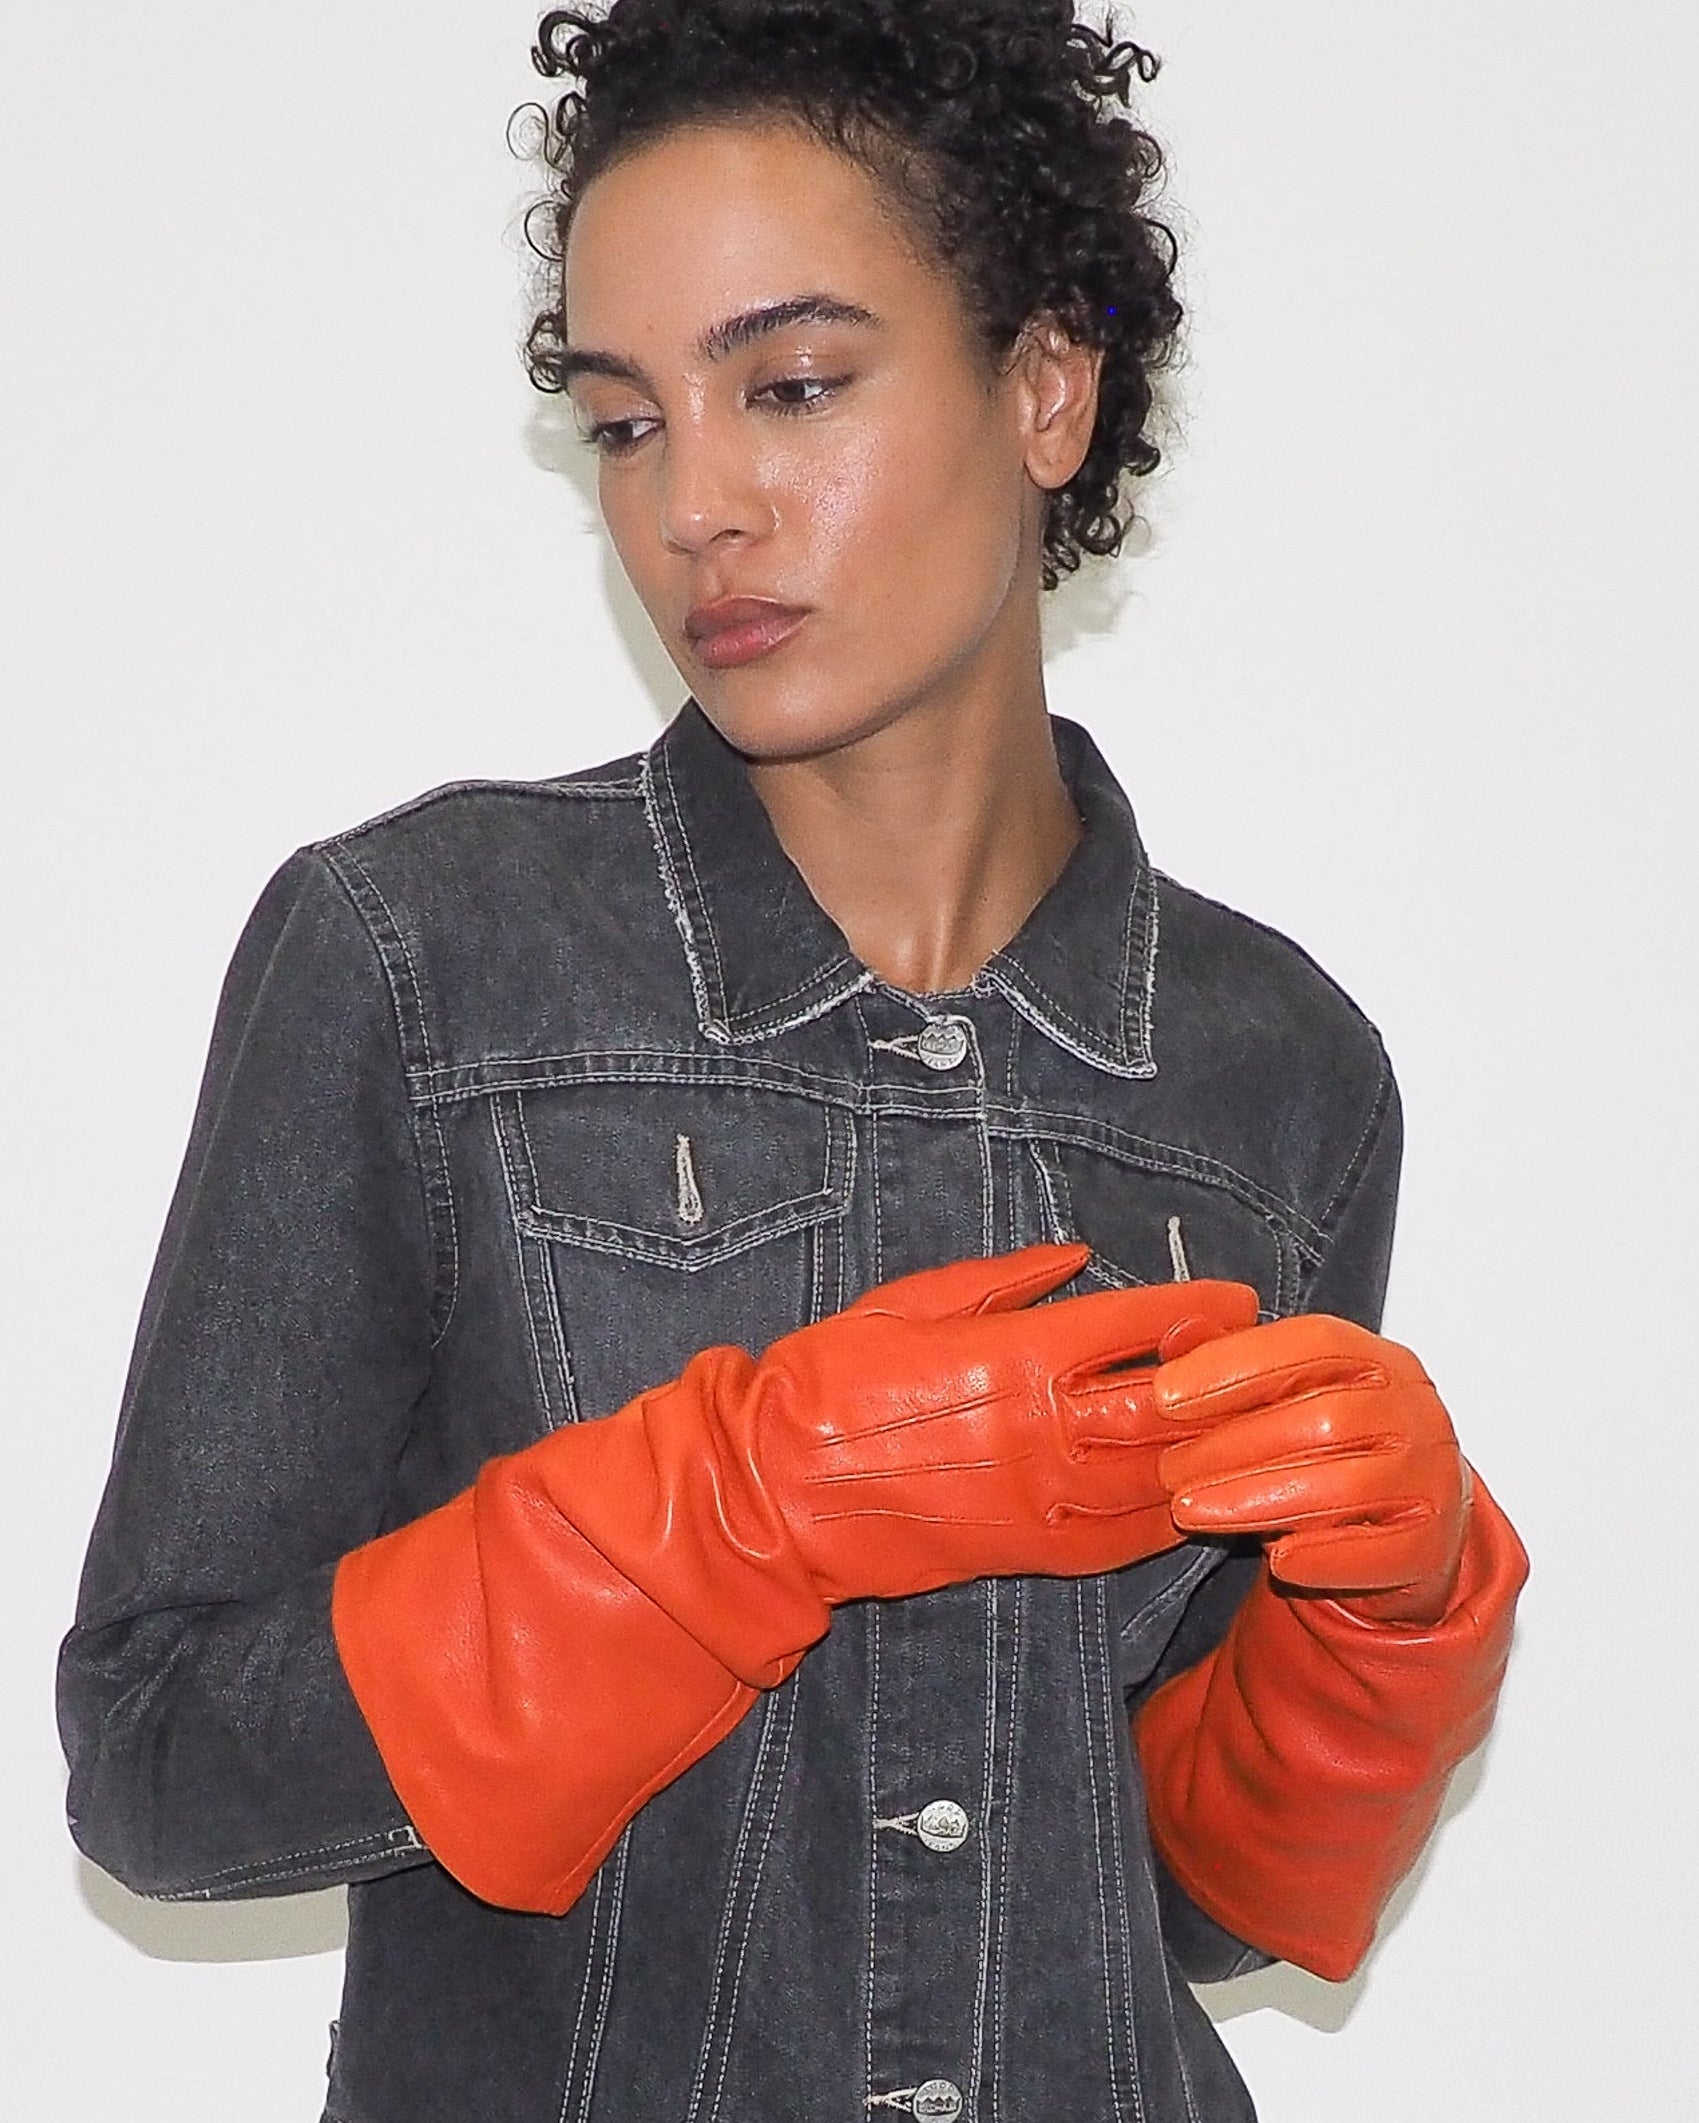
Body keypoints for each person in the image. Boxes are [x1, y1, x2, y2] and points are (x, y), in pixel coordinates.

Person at [58, 4, 1528, 2119]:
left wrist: (1381, 1649)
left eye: (795, 385)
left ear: (1045, 385)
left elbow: (1146, 1906)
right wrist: (735, 1510)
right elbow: (170, 1768)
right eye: (627, 422)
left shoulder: (1278, 1075)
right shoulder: (417, 956)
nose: (697, 510)